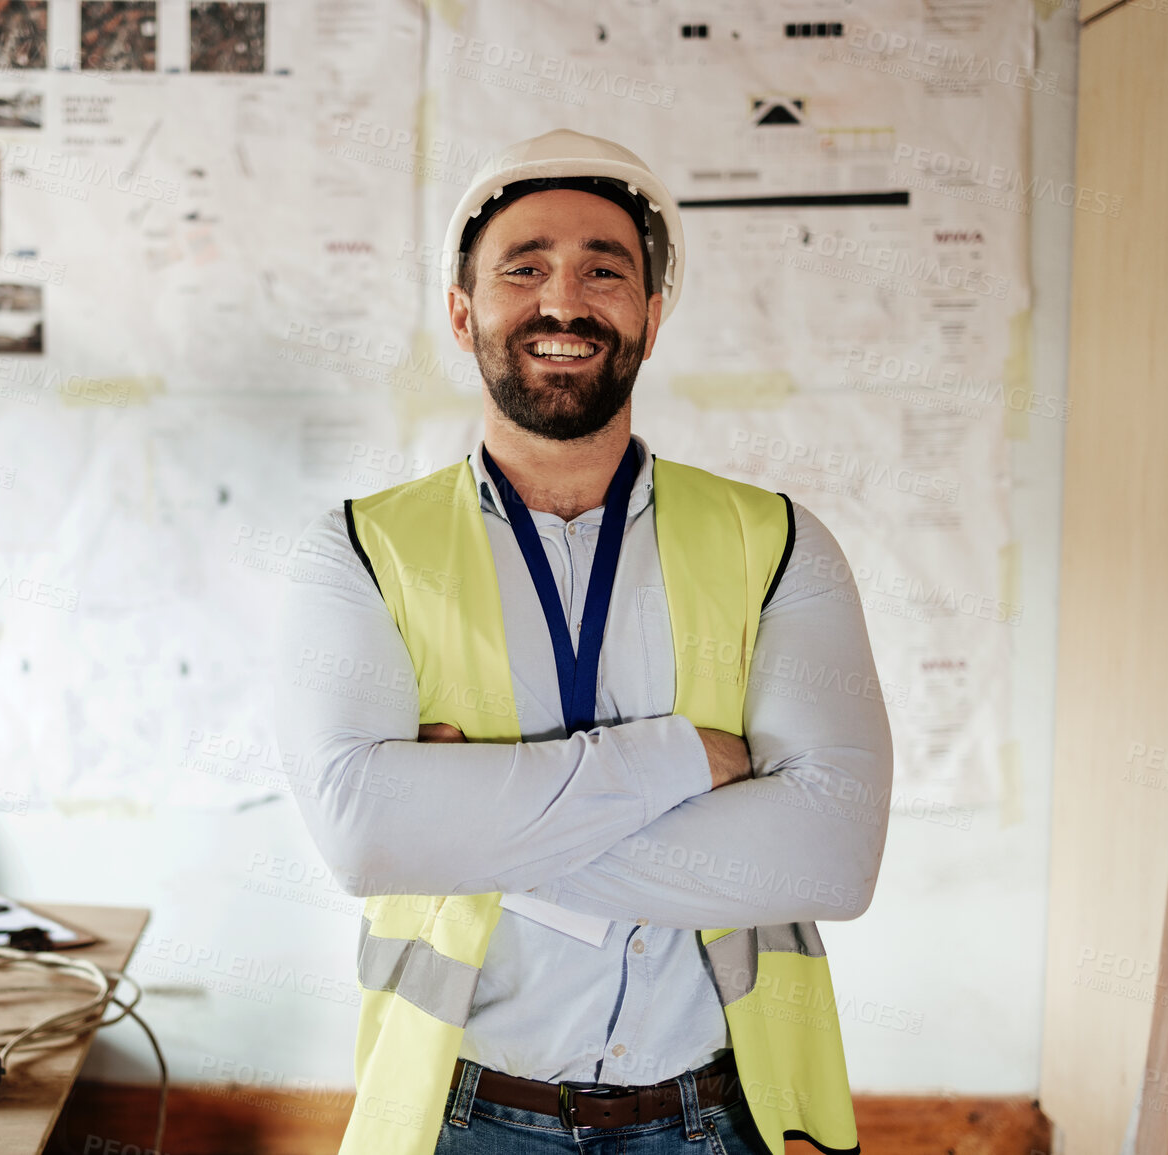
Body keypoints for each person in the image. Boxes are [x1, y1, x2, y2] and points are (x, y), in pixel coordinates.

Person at [275, 129, 893, 1155]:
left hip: (712, 1115)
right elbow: (366, 840)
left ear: (651, 319)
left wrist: (472, 824)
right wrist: (682, 762)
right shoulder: (359, 548)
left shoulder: (777, 541)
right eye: (525, 269)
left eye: (604, 270)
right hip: (463, 1115)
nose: (564, 301)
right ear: (463, 311)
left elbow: (833, 856)